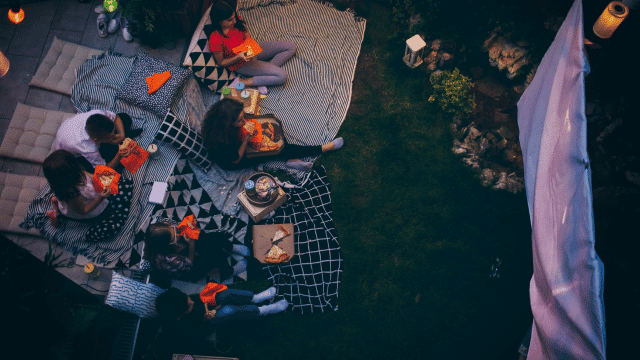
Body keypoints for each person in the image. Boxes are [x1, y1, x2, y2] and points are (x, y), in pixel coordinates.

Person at [201, 98, 344, 170]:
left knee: (274, 131)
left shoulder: (221, 119)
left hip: (238, 143)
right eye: (240, 120)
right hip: (234, 161)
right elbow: (235, 159)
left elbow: (247, 119)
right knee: (275, 147)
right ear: (227, 123)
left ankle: (290, 159)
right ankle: (323, 148)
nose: (244, 121)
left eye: (243, 116)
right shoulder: (221, 141)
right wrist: (245, 140)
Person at [43, 150, 134, 242]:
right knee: (115, 222)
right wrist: (100, 198)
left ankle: (57, 208)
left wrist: (118, 156)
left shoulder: (77, 173)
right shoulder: (71, 194)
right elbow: (83, 211)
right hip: (88, 208)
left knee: (117, 182)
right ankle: (58, 215)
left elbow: (94, 177)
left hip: (91, 197)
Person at [155, 286, 288, 349]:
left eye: (188, 298)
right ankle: (264, 310)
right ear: (179, 316)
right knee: (227, 310)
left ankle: (256, 298)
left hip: (201, 313)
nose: (192, 301)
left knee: (225, 294)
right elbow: (195, 335)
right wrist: (205, 320)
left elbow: (198, 302)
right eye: (188, 305)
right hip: (201, 328)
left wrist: (212, 302)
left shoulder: (179, 303)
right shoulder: (179, 329)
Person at [209, 0, 296, 95]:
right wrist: (239, 56)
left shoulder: (235, 22)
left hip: (249, 49)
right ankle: (243, 81)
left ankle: (262, 79)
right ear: (220, 21)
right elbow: (222, 62)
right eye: (230, 20)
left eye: (234, 17)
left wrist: (248, 39)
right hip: (240, 63)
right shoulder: (215, 38)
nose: (234, 21)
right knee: (282, 76)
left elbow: (244, 34)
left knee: (290, 47)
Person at [144, 220, 250, 281]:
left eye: (175, 230)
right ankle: (228, 272)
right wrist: (191, 244)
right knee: (214, 255)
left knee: (209, 237)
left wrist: (189, 229)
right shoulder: (167, 259)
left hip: (184, 247)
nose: (177, 234)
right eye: (174, 237)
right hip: (190, 270)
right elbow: (188, 265)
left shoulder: (167, 226)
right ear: (166, 245)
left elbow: (183, 226)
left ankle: (229, 247)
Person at [53, 109, 143, 172]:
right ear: (96, 140)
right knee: (108, 172)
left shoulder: (97, 114)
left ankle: (125, 137)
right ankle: (125, 140)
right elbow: (104, 169)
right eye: (110, 137)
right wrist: (119, 155)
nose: (115, 136)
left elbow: (116, 117)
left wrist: (122, 135)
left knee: (124, 117)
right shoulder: (88, 148)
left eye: (113, 133)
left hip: (69, 129)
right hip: (73, 156)